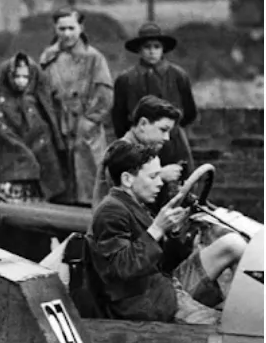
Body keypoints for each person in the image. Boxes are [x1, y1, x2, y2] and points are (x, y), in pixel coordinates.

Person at [99, 96, 247, 289]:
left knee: (226, 235)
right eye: (163, 130)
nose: (167, 138)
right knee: (233, 244)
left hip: (155, 264)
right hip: (149, 282)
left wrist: (176, 226)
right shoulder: (121, 156)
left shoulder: (143, 153)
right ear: (143, 124)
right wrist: (163, 175)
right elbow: (125, 262)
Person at [89, 140, 233, 325]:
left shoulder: (134, 206)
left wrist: (177, 232)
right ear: (127, 179)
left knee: (231, 321)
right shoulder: (111, 211)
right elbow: (122, 268)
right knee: (225, 329)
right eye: (153, 177)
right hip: (144, 304)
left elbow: (164, 263)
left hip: (161, 292)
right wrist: (156, 229)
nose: (160, 183)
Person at [110, 21, 197, 204]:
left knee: (181, 191)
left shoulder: (178, 75)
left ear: (163, 49)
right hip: (141, 145)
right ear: (139, 50)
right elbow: (118, 118)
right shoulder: (126, 80)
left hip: (174, 144)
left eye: (156, 46)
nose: (152, 51)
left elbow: (189, 112)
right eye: (147, 47)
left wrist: (169, 130)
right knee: (145, 189)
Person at [40, 8, 114, 206]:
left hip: (86, 132)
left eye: (71, 28)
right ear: (55, 29)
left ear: (81, 28)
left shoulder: (94, 58)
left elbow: (104, 94)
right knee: (61, 191)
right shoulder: (48, 58)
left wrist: (88, 122)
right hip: (58, 130)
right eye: (61, 28)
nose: (66, 34)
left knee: (90, 187)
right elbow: (41, 93)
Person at [0, 52, 69, 203]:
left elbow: (44, 129)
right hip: (11, 164)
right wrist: (23, 152)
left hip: (39, 166)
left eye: (25, 77)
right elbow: (1, 130)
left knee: (37, 209)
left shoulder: (36, 100)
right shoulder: (0, 103)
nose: (21, 81)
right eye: (17, 76)